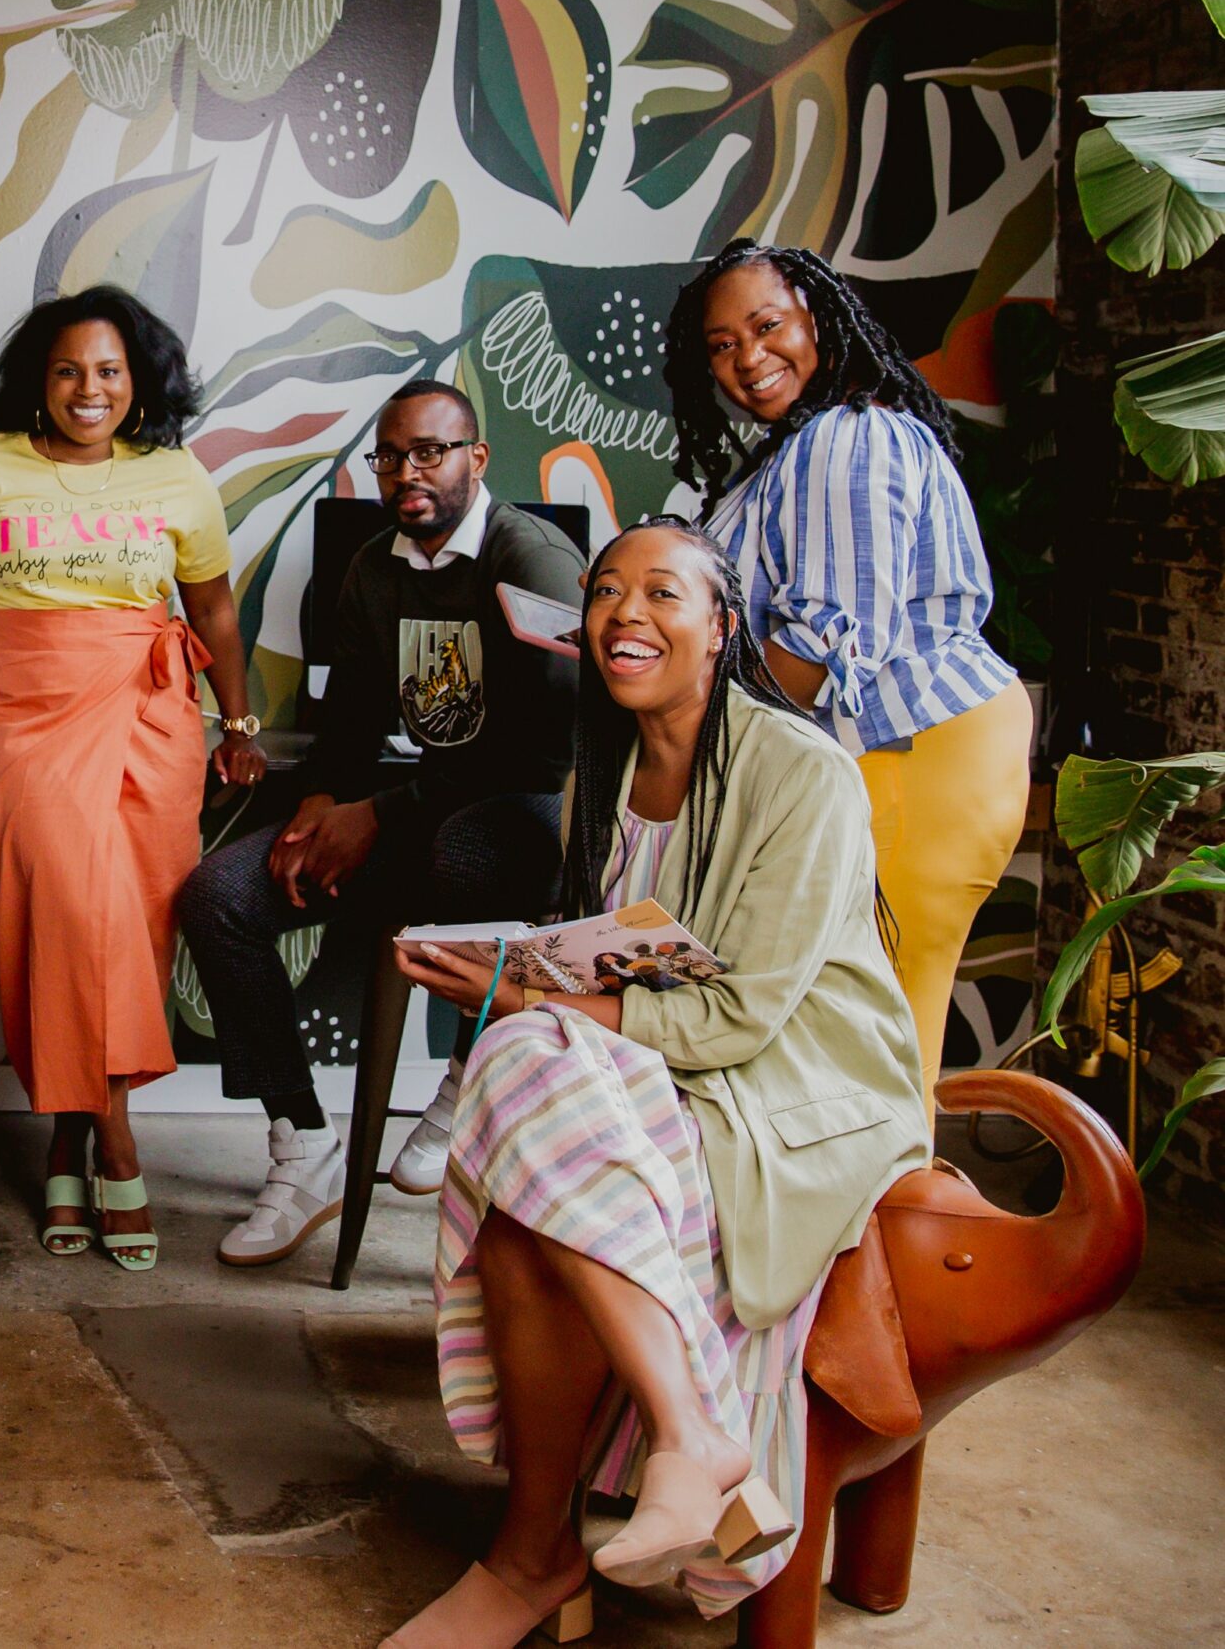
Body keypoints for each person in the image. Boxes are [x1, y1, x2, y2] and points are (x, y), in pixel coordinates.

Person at [379, 518, 928, 1646]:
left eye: (664, 593)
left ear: (722, 627)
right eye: (606, 592)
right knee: (527, 1111)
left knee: (525, 1071)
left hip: (792, 1081)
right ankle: (674, 1452)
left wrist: (526, 1003)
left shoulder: (805, 772)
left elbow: (744, 1014)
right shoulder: (608, 767)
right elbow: (615, 954)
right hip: (651, 1060)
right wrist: (511, 972)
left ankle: (543, 1549)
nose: (626, 612)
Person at [174, 380, 585, 1263]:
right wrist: (323, 803)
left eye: (430, 452)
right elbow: (353, 721)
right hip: (423, 813)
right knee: (220, 894)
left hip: (528, 817)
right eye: (390, 457)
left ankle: (468, 1079)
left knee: (466, 849)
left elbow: (543, 741)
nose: (408, 473)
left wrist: (380, 814)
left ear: (476, 458)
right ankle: (303, 1142)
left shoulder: (531, 558)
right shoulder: (372, 566)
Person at [0, 285, 266, 1272]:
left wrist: (239, 723)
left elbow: (214, 610)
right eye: (67, 370)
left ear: (139, 381)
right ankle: (118, 1142)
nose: (88, 389)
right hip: (25, 718)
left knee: (131, 932)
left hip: (153, 720)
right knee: (69, 914)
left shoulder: (177, 474)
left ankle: (67, 1136)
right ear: (38, 379)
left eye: (109, 370)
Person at [667, 238, 1032, 1107]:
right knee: (861, 1037)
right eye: (722, 344)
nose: (749, 358)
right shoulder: (798, 447)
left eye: (768, 326)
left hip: (907, 750)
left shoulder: (844, 436)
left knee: (875, 1043)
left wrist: (686, 714)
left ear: (819, 321)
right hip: (895, 750)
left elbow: (823, 642)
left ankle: (899, 1198)